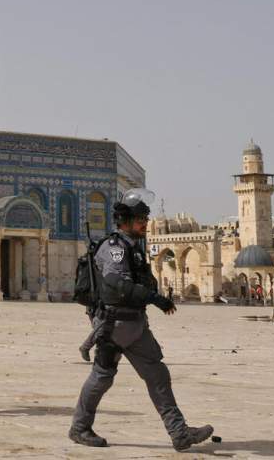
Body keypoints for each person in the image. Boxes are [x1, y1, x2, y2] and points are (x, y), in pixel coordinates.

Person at [70, 188, 213, 451]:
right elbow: (115, 282)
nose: (145, 224)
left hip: (134, 325)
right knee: (102, 377)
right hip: (115, 325)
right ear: (125, 220)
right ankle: (80, 427)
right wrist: (154, 298)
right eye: (140, 220)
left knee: (158, 374)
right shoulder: (115, 248)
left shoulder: (133, 247)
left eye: (146, 220)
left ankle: (179, 432)